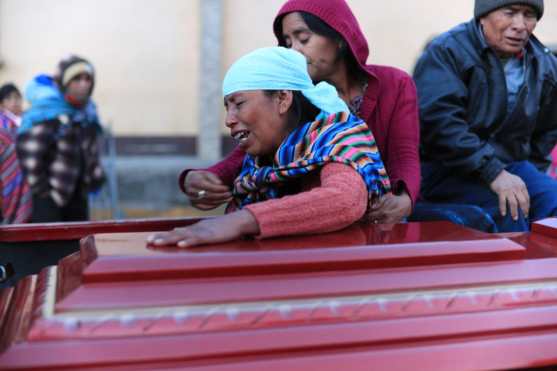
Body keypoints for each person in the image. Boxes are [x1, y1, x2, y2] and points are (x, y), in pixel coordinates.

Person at [180, 0, 420, 224]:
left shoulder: (394, 83)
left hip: (378, 218)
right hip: (315, 220)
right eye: (287, 42)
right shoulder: (298, 95)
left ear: (340, 37)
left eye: (303, 38)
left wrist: (404, 200)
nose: (294, 49)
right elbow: (251, 150)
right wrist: (201, 177)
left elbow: (404, 153)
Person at [148, 47, 391, 247]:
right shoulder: (262, 157)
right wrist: (197, 183)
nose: (229, 119)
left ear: (283, 99)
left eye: (239, 103)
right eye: (227, 107)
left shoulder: (335, 138)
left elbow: (345, 200)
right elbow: (217, 174)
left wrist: (240, 221)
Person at [414, 0, 557, 232]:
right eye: (509, 13)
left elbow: (548, 129)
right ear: (483, 16)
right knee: (511, 211)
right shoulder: (447, 51)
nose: (520, 25)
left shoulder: (545, 64)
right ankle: (515, 269)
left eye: (529, 15)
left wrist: (531, 173)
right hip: (446, 170)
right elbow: (440, 124)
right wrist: (493, 171)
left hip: (512, 167)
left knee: (552, 202)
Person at [16, 55, 105, 223]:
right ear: (64, 83)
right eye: (77, 79)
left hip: (78, 196)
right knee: (52, 248)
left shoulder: (87, 113)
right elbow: (29, 153)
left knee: (78, 246)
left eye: (88, 79)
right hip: (50, 200)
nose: (84, 84)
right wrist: (44, 192)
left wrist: (95, 178)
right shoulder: (49, 112)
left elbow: (91, 150)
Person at [0, 83, 31, 223]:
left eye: (17, 97)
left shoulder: (28, 120)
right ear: (2, 103)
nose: (15, 101)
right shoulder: (1, 123)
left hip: (28, 176)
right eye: (9, 98)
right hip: (6, 177)